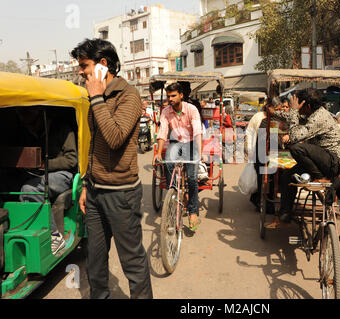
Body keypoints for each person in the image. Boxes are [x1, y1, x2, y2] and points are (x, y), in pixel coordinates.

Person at [72, 38, 153, 299]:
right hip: (95, 193)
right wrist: (86, 185)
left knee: (132, 262)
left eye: (84, 65)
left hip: (122, 194)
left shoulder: (128, 94)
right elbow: (93, 145)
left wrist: (96, 97)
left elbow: (115, 137)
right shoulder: (94, 98)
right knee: (95, 259)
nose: (80, 71)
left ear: (102, 64)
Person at [267, 89, 340, 225]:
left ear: (308, 106)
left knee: (296, 148)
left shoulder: (319, 117)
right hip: (321, 160)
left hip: (333, 161)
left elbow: (294, 137)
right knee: (288, 175)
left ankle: (321, 177)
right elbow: (296, 118)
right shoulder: (313, 114)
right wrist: (275, 113)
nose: (298, 109)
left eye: (299, 106)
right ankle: (285, 214)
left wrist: (293, 110)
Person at [17, 108, 77, 255]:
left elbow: (72, 160)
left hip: (63, 174)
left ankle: (54, 235)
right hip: (38, 174)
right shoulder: (28, 133)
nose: (29, 127)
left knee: (29, 189)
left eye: (32, 123)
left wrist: (45, 165)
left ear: (39, 116)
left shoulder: (63, 130)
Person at [153, 82, 203, 231]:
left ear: (181, 96)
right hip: (175, 143)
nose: (170, 99)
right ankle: (174, 198)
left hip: (191, 142)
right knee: (168, 165)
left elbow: (197, 131)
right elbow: (162, 132)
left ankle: (193, 211)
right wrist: (158, 152)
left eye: (173, 96)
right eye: (168, 96)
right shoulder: (165, 111)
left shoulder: (191, 109)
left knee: (193, 179)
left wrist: (199, 153)